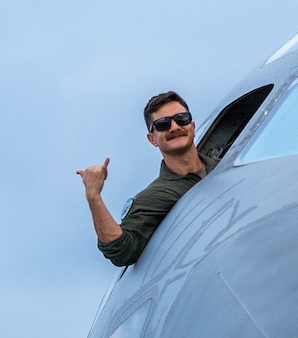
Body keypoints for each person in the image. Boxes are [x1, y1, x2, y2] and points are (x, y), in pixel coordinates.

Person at [79, 92, 213, 267]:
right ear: (152, 139)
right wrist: (93, 195)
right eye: (163, 124)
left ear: (193, 126)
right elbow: (121, 250)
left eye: (182, 118)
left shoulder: (229, 167)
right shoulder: (154, 197)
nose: (174, 127)